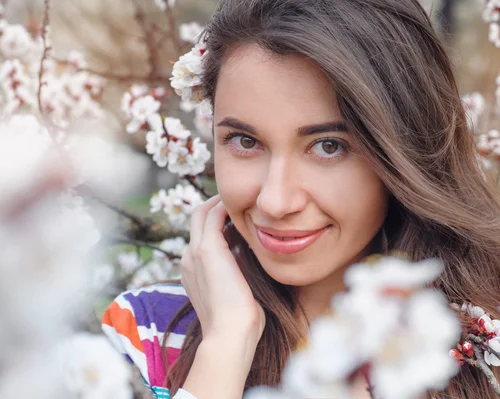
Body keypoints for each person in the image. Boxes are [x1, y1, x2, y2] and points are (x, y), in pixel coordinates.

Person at [102, 0, 500, 398]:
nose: (276, 201)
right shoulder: (145, 333)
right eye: (245, 141)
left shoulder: (485, 341)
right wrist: (225, 346)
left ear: (405, 149)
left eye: (328, 146)